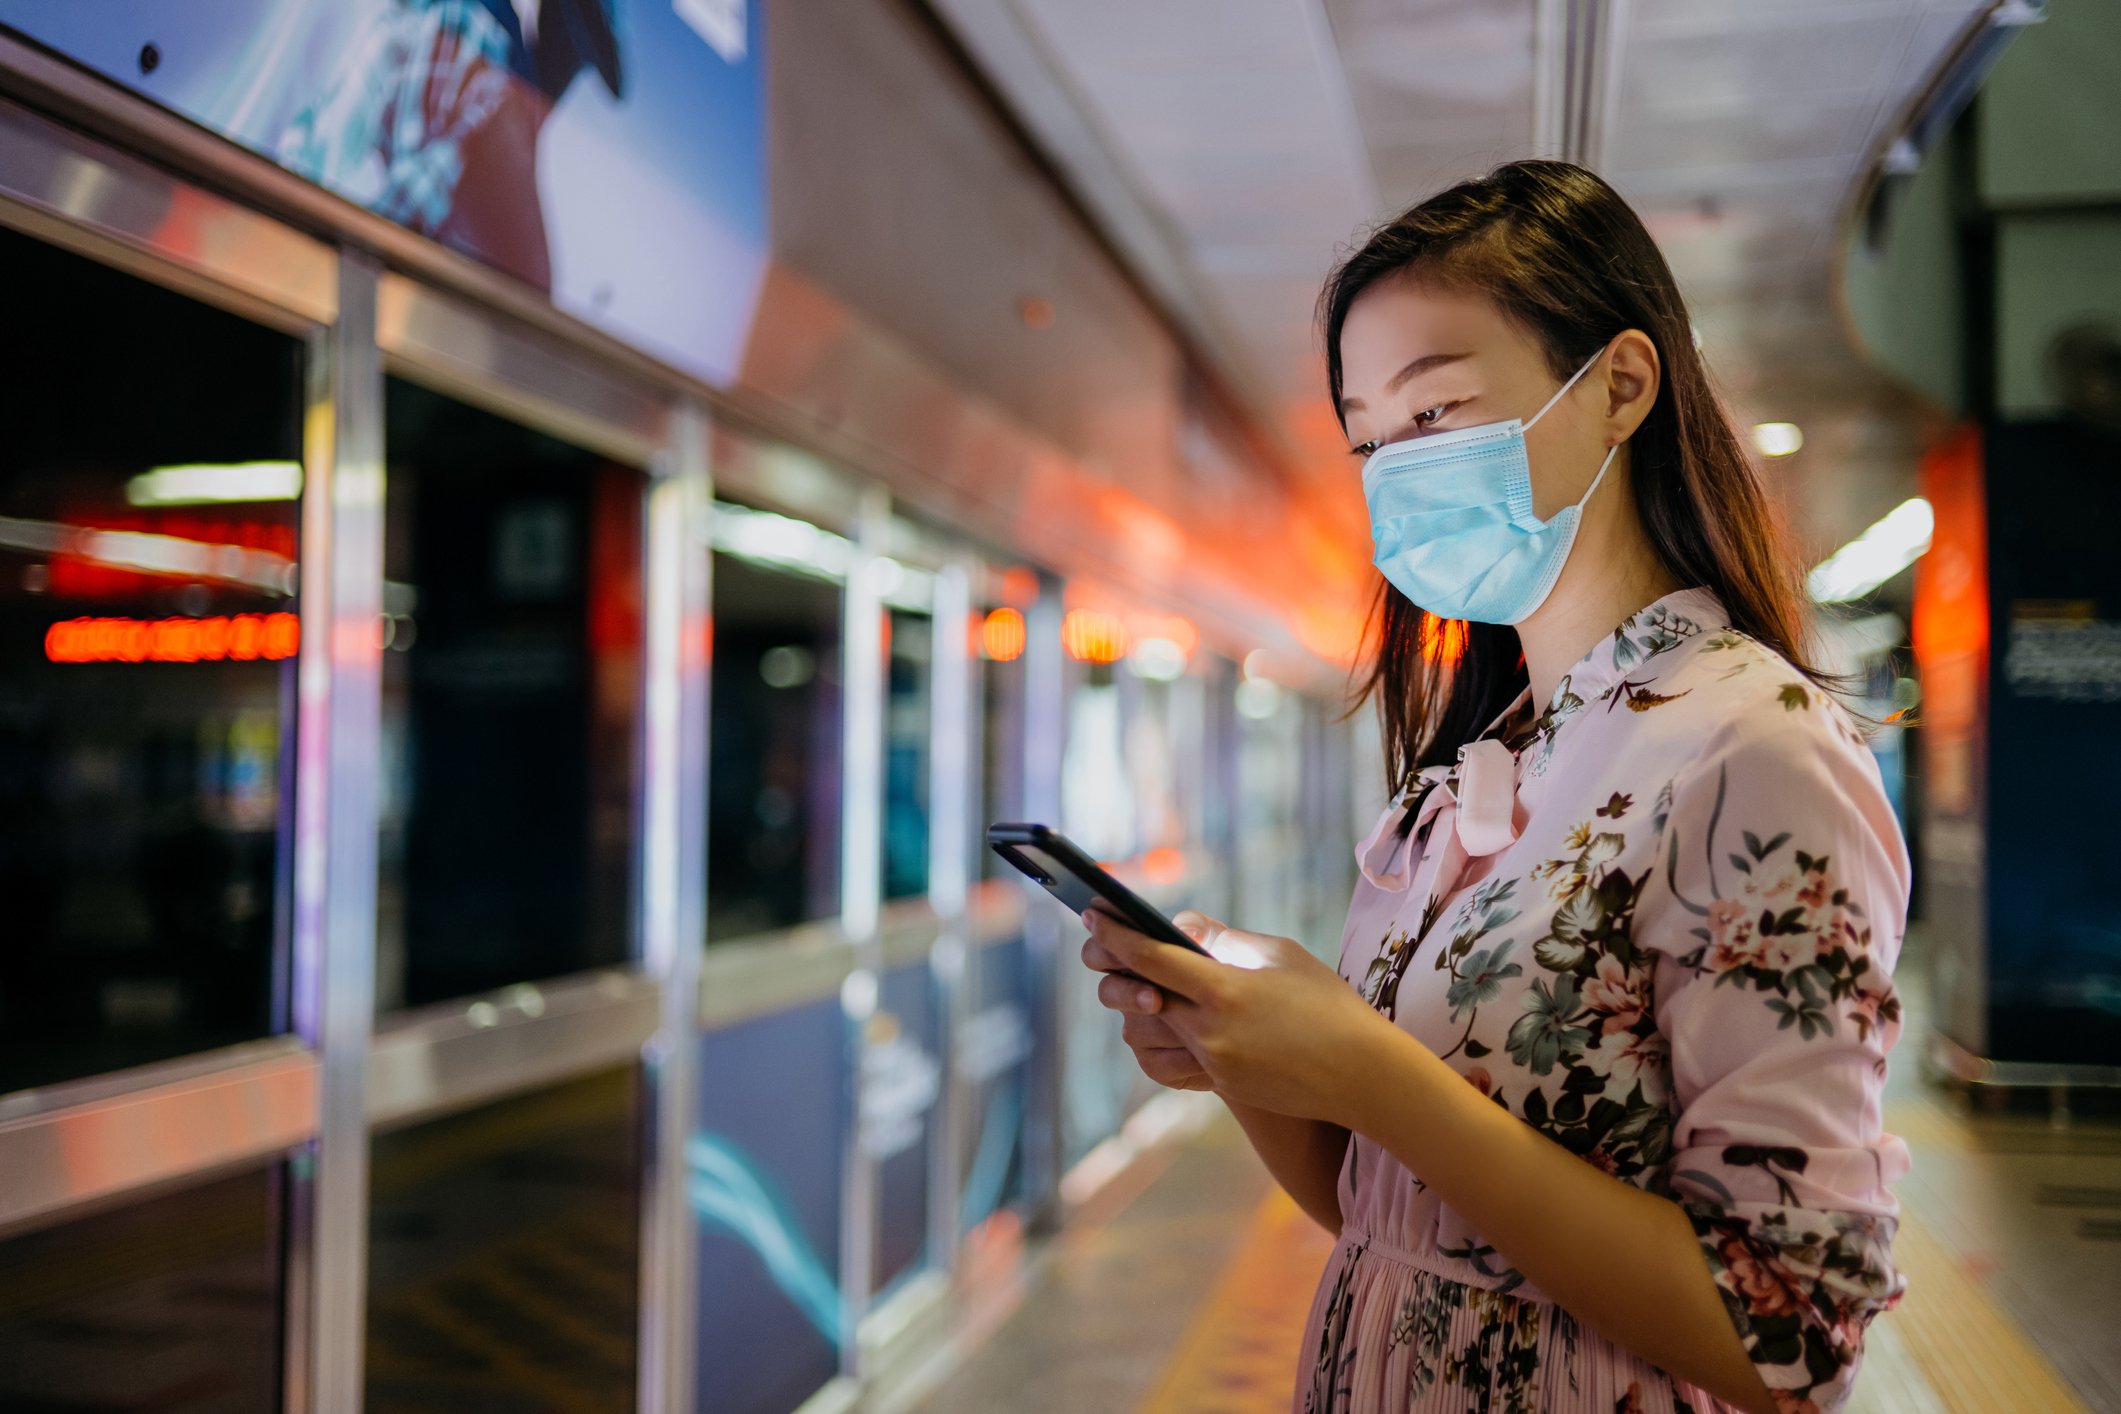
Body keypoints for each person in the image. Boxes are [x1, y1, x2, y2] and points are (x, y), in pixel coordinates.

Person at [1080, 160, 1908, 1414]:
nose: (1391, 472)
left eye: (1433, 414)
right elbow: (1393, 1206)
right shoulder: (1490, 756)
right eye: (1367, 439)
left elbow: (1785, 1330)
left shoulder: (1757, 747)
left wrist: (1368, 1070)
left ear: (1621, 385)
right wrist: (1249, 1059)